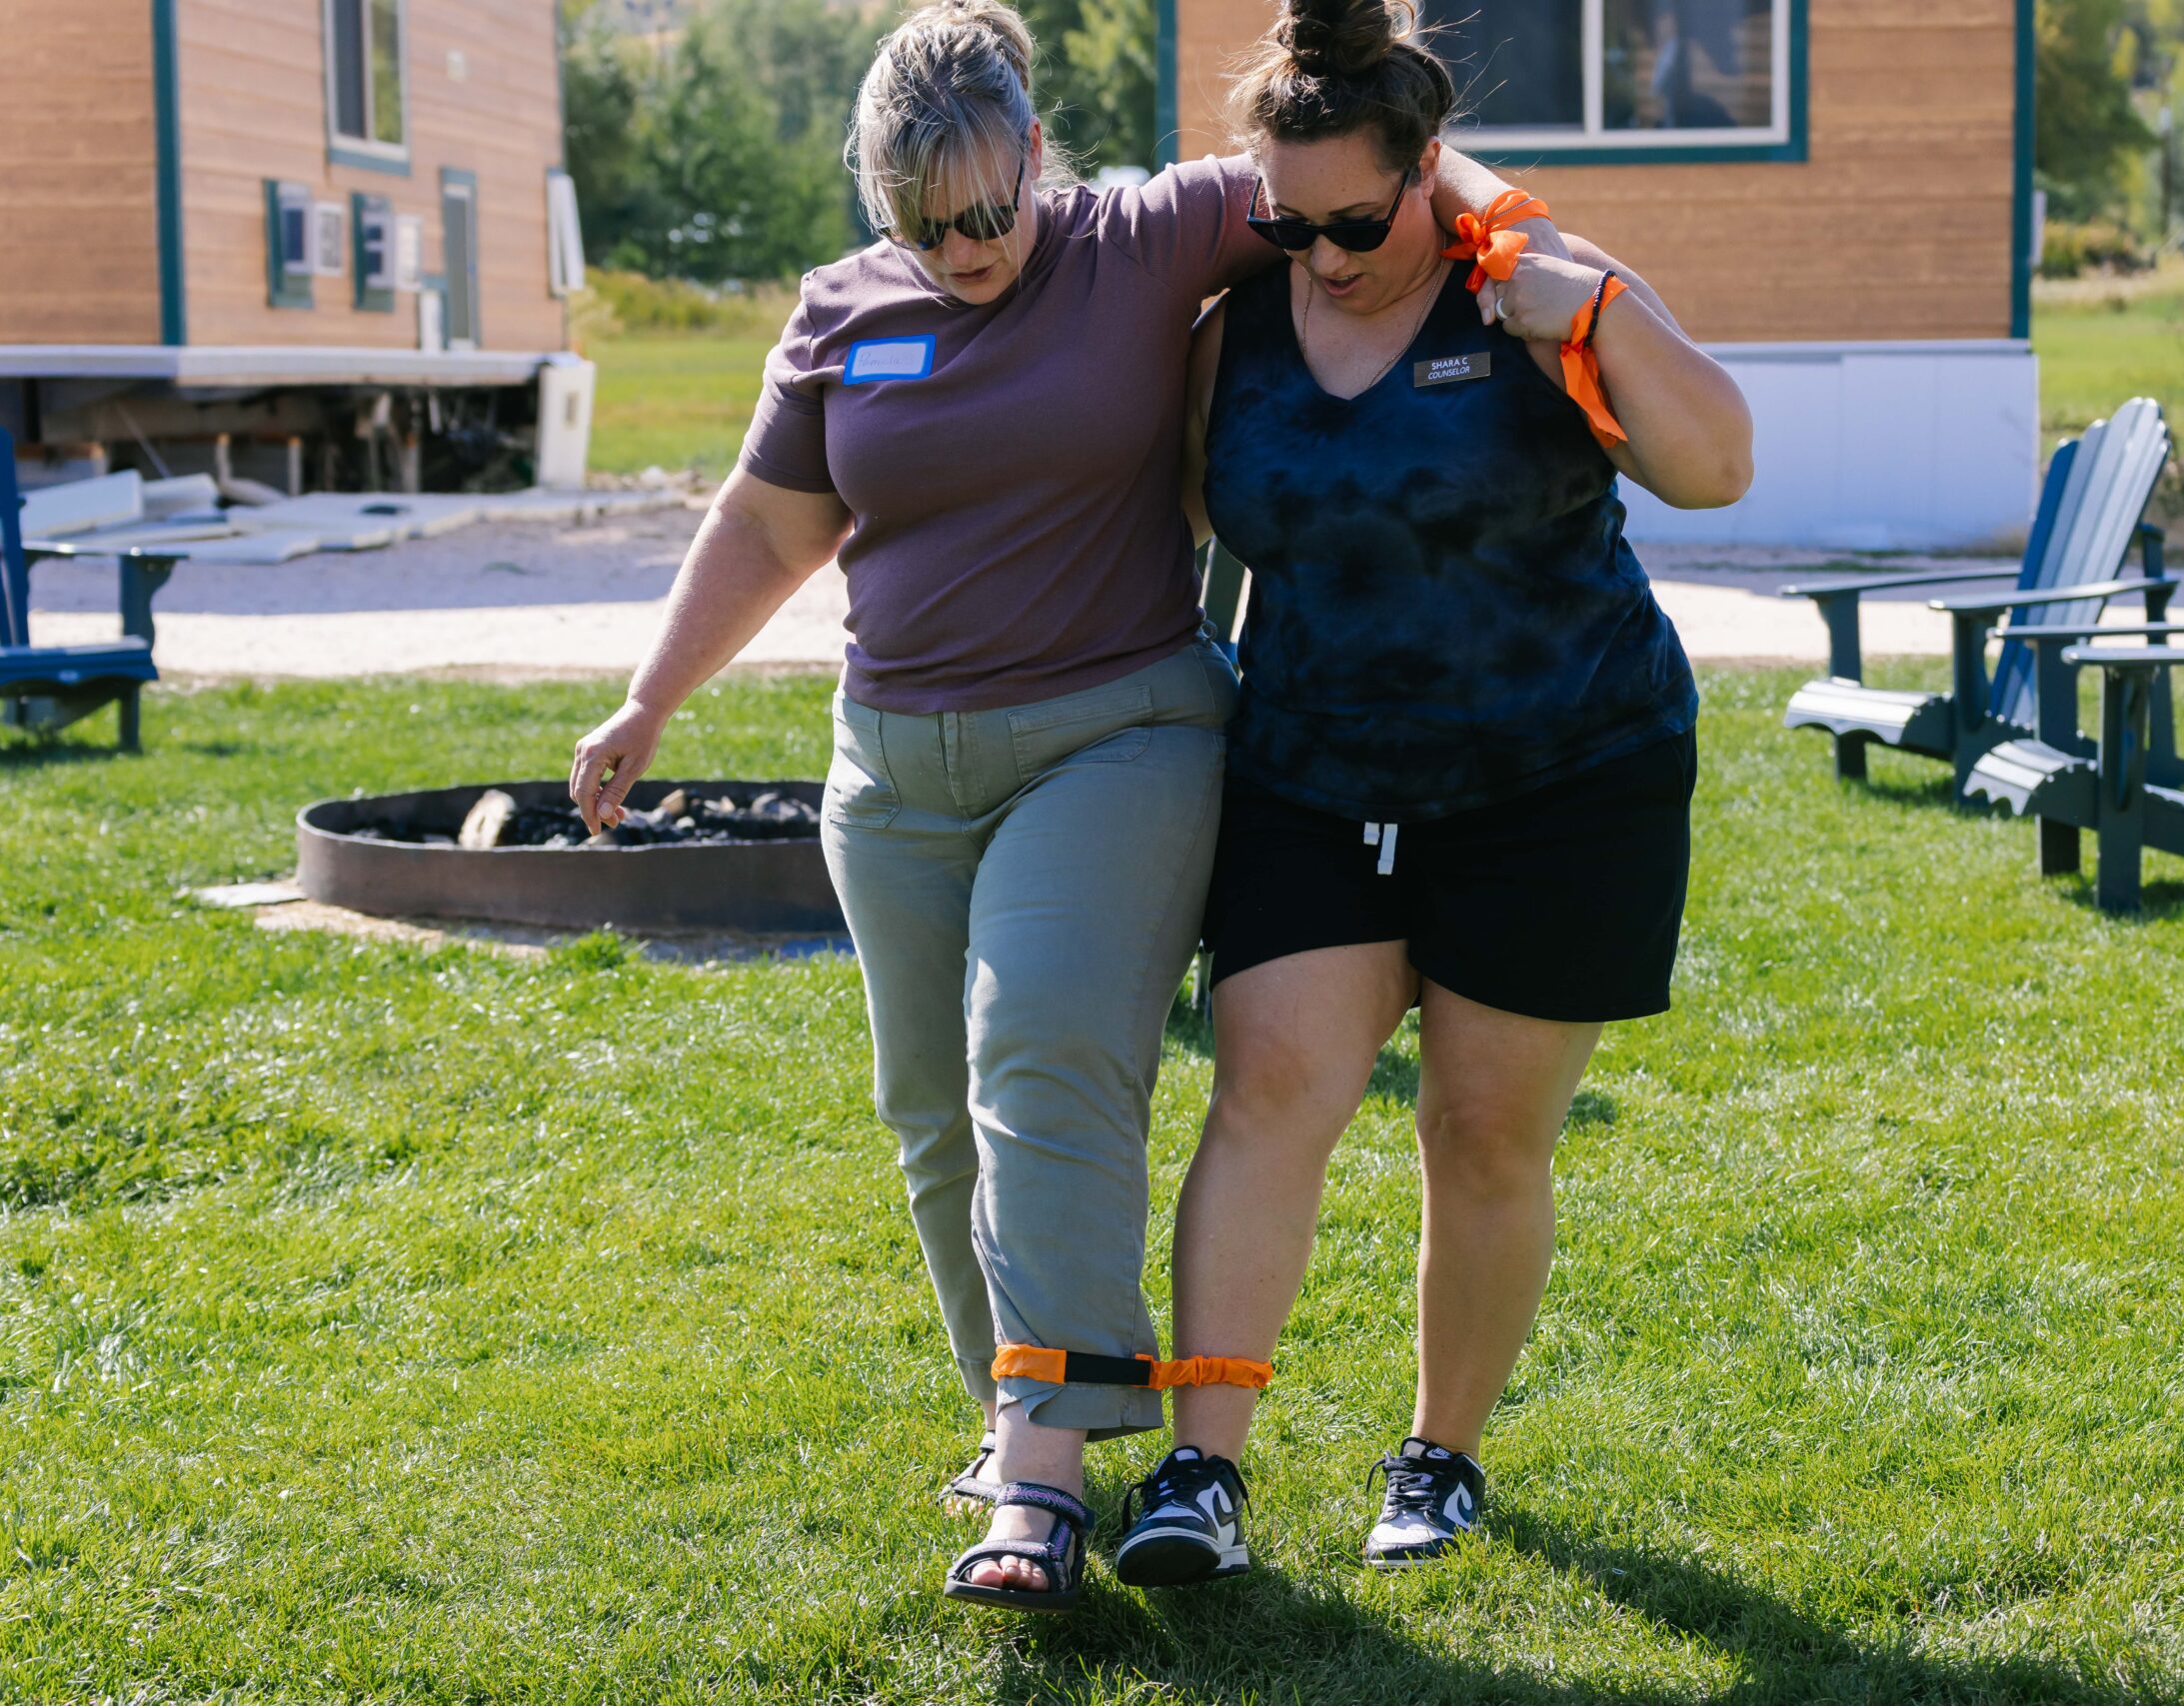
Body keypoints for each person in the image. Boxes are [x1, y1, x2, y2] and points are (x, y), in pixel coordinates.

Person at [564, 0, 1559, 1613]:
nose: (963, 248)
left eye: (987, 209)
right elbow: (767, 524)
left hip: (1116, 734)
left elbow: (1373, 169)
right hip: (895, 770)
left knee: (1041, 1057)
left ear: (1037, 151)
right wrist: (649, 699)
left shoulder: (1147, 237)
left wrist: (1529, 244)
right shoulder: (841, 313)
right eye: (922, 224)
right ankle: (1020, 1414)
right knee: (932, 1115)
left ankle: (1039, 1478)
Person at [1109, 0, 1753, 1586]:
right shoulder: (1239, 334)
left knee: (1480, 1132)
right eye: (1289, 224)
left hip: (1562, 773)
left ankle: (1439, 1456)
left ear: (1427, 171)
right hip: (1316, 772)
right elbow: (1178, 527)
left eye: (1356, 222)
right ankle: (1203, 1468)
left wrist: (1596, 308)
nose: (1323, 256)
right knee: (1267, 1092)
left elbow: (1717, 464)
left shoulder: (1531, 288)